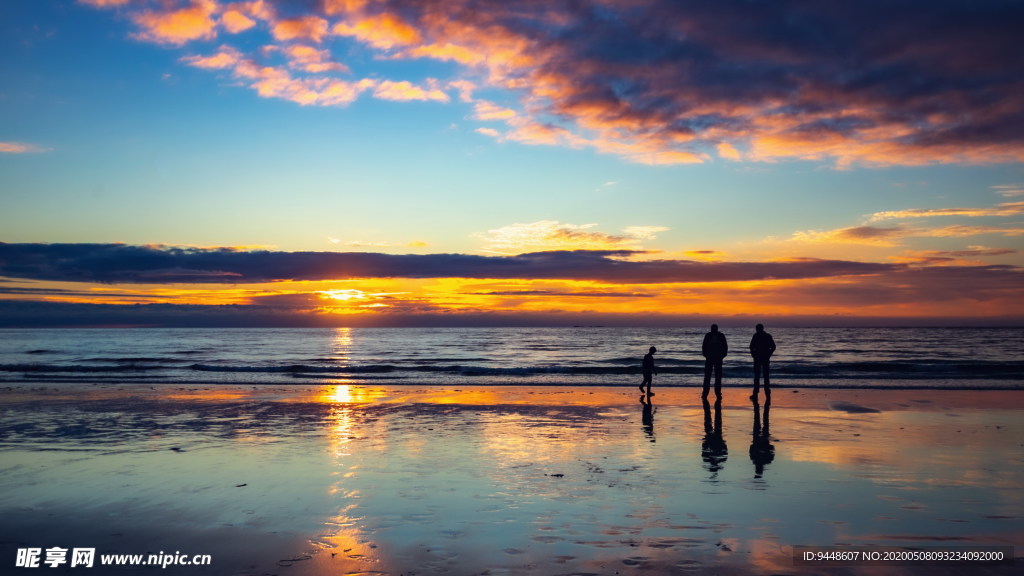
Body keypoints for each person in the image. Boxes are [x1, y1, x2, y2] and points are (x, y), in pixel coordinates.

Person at [749, 323, 776, 400]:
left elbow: (773, 347)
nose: (757, 330)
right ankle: (762, 394)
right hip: (760, 358)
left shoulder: (762, 336)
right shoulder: (759, 336)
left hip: (762, 358)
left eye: (758, 329)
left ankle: (764, 394)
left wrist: (768, 354)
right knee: (762, 377)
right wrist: (753, 354)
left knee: (760, 377)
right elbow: (751, 347)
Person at [701, 324, 728, 398]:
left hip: (718, 358)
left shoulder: (721, 336)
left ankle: (718, 393)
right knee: (708, 376)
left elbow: (725, 347)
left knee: (717, 376)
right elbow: (704, 346)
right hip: (709, 358)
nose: (713, 329)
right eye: (713, 328)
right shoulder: (708, 335)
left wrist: (722, 356)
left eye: (714, 328)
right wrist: (706, 355)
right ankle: (705, 393)